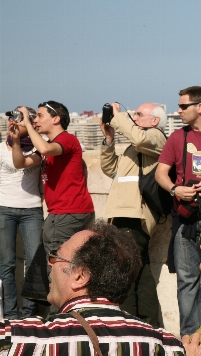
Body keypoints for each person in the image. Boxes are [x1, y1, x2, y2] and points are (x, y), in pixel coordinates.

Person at [0, 222, 184, 355]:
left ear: (80, 277)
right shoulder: (166, 345)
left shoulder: (22, 339)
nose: (50, 264)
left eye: (56, 257)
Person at [10, 101, 95, 303]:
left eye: (39, 116)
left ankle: (59, 319)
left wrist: (28, 124)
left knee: (59, 270)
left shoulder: (67, 139)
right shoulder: (49, 146)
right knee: (73, 268)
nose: (36, 120)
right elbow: (20, 163)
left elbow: (47, 149)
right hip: (67, 213)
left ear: (56, 118)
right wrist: (15, 141)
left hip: (67, 214)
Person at [155, 86, 201, 336]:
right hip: (185, 216)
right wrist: (175, 190)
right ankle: (190, 339)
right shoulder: (177, 137)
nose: (178, 111)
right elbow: (161, 172)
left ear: (200, 107)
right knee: (187, 281)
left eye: (183, 106)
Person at [100, 102, 167, 325]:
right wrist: (108, 140)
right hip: (123, 214)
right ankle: (149, 324)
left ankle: (126, 325)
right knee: (141, 274)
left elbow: (139, 139)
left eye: (139, 114)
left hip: (134, 216)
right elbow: (112, 169)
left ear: (155, 121)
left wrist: (119, 118)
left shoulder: (156, 137)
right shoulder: (137, 145)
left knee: (123, 275)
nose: (134, 118)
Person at [0, 108, 43, 319]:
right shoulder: (0, 149)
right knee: (6, 264)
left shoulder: (39, 149)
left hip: (31, 211)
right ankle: (10, 314)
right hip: (4, 209)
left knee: (33, 262)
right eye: (12, 117)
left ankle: (28, 314)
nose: (13, 121)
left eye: (20, 118)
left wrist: (17, 141)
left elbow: (21, 162)